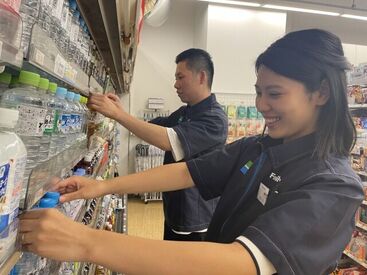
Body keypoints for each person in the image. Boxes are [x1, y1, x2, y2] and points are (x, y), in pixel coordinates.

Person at [20, 29, 364, 274]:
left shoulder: (332, 187)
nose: (261, 105)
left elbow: (244, 261)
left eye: (274, 94)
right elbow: (188, 171)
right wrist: (102, 186)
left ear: (321, 93)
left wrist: (85, 243)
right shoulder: (259, 147)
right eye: (258, 92)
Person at [86, 48, 228, 241]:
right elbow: (152, 128)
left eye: (180, 77)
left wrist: (118, 114)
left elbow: (167, 139)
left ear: (201, 77)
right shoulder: (185, 112)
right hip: (175, 208)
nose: (175, 84)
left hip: (195, 216)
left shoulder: (214, 119)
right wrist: (120, 112)